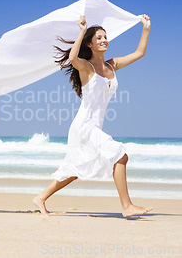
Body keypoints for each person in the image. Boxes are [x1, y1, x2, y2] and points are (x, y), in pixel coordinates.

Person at [32, 13, 153, 217]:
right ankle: (127, 206)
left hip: (94, 126)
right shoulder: (86, 67)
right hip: (84, 125)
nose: (104, 40)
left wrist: (146, 28)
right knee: (120, 155)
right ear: (89, 44)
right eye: (98, 37)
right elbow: (72, 58)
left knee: (76, 170)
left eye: (105, 36)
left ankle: (41, 198)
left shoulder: (111, 65)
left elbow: (139, 52)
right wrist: (81, 31)